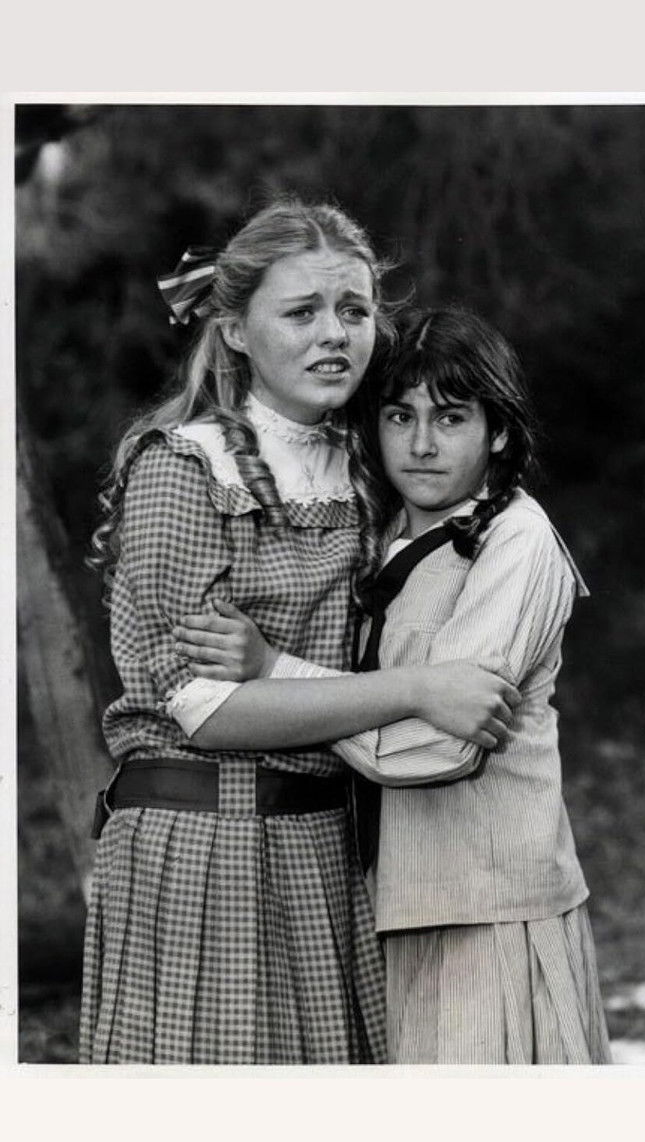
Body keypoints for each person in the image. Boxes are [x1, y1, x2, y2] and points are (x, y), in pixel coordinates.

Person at [81, 203, 520, 1066]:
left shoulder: (371, 466)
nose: (334, 335)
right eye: (301, 312)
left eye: (354, 310)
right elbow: (208, 712)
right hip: (204, 845)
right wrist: (418, 691)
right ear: (235, 331)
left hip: (322, 844)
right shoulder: (184, 469)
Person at [177, 305, 612, 1064]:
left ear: (498, 431)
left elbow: (439, 744)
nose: (421, 444)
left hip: (491, 912)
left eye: (451, 418)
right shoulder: (378, 535)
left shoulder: (517, 539)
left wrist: (275, 672)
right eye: (399, 416)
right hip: (391, 903)